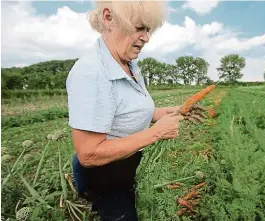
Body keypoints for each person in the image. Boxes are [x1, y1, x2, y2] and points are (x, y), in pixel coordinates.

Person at [66, 1, 207, 221]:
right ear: (108, 18)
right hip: (103, 173)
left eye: (148, 29)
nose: (147, 37)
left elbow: (136, 112)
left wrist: (177, 111)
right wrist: (156, 133)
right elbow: (89, 153)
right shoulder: (92, 72)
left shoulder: (128, 64)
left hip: (125, 164)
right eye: (139, 27)